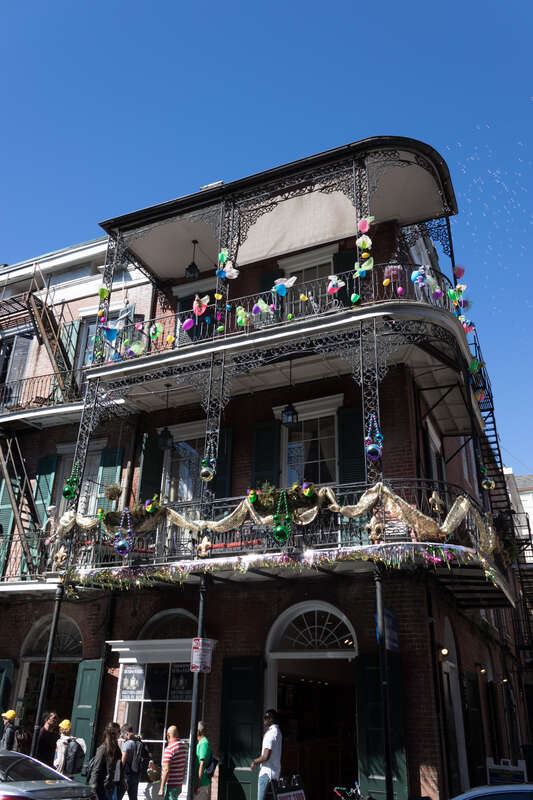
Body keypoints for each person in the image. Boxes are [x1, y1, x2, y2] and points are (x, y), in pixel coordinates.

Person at [88, 721, 125, 800]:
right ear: (113, 733)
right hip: (105, 788)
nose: (120, 733)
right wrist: (92, 789)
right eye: (119, 731)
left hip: (115, 786)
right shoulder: (103, 749)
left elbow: (119, 766)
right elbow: (96, 770)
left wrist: (123, 780)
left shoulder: (116, 748)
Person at [250, 709, 282, 800]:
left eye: (266, 718)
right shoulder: (278, 732)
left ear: (271, 719)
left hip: (266, 772)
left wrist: (254, 761)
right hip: (275, 773)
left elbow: (265, 756)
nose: (264, 720)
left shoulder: (270, 734)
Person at [158, 725, 187, 800]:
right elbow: (184, 767)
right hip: (178, 784)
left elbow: (166, 770)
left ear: (168, 735)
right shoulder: (184, 747)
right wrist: (180, 783)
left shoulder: (169, 749)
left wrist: (161, 788)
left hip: (170, 785)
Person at [121, 724, 148, 800]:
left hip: (126, 775)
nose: (122, 738)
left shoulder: (128, 744)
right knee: (133, 798)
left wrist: (119, 774)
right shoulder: (139, 742)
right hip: (136, 774)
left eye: (123, 735)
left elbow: (123, 760)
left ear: (126, 733)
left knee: (117, 796)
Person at [194, 721, 212, 800]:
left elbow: (202, 764)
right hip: (200, 784)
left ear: (198, 731)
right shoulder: (200, 743)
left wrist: (198, 784)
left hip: (202, 784)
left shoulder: (203, 743)